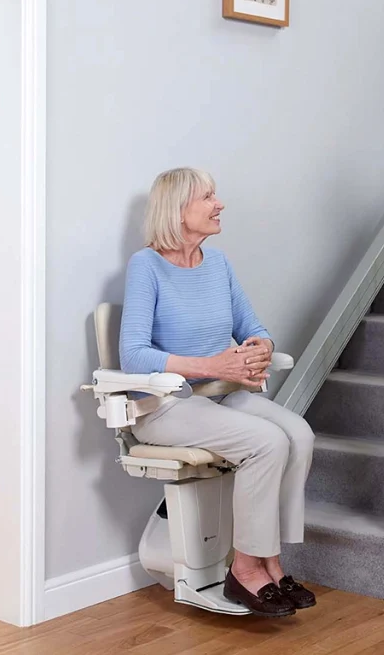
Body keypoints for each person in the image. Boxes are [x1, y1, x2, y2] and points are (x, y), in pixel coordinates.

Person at [119, 167, 316, 618]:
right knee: (266, 442)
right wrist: (210, 365)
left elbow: (253, 327)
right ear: (178, 209)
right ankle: (245, 569)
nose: (219, 203)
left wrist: (261, 348)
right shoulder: (146, 266)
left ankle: (269, 559)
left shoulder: (218, 264)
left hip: (220, 395)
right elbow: (132, 355)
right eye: (208, 196)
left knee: (300, 434)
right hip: (166, 406)